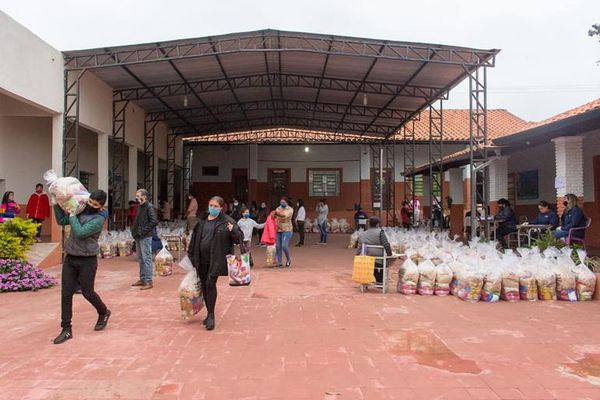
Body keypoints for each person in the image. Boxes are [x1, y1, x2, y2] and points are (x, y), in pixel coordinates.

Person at [52, 190, 111, 345]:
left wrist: (72, 215)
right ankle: (66, 329)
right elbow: (61, 221)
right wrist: (56, 203)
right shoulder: (80, 209)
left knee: (87, 292)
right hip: (71, 257)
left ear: (101, 206)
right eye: (90, 201)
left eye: (95, 204)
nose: (91, 205)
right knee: (66, 293)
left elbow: (80, 233)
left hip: (87, 260)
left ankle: (103, 312)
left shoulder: (98, 219)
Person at [188, 196, 241, 331]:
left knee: (210, 284)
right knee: (204, 286)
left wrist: (233, 230)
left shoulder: (227, 222)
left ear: (221, 208)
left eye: (216, 206)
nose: (212, 208)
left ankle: (211, 316)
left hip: (216, 259)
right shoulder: (202, 221)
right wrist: (191, 255)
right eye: (211, 205)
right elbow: (194, 239)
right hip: (201, 260)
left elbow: (238, 239)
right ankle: (208, 312)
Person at [131, 189, 159, 290]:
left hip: (145, 236)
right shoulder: (139, 207)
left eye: (139, 196)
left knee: (146, 258)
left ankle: (148, 280)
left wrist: (143, 230)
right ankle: (142, 278)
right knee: (140, 258)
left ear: (144, 196)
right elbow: (137, 220)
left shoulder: (149, 207)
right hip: (138, 235)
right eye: (136, 196)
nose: (137, 198)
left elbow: (154, 221)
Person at [356, 216, 393, 284]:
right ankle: (380, 280)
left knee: (373, 264)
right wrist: (390, 254)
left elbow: (359, 247)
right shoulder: (380, 232)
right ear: (377, 224)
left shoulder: (363, 234)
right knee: (384, 262)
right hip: (380, 260)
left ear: (369, 224)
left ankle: (378, 279)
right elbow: (386, 244)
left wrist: (357, 256)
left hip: (367, 261)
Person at [274, 197, 294, 268]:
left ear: (287, 203)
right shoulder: (278, 208)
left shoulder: (290, 209)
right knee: (277, 246)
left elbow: (284, 216)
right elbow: (275, 217)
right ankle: (279, 262)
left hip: (287, 230)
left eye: (283, 202)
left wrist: (276, 213)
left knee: (284, 245)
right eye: (281, 202)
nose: (282, 204)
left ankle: (288, 259)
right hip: (278, 230)